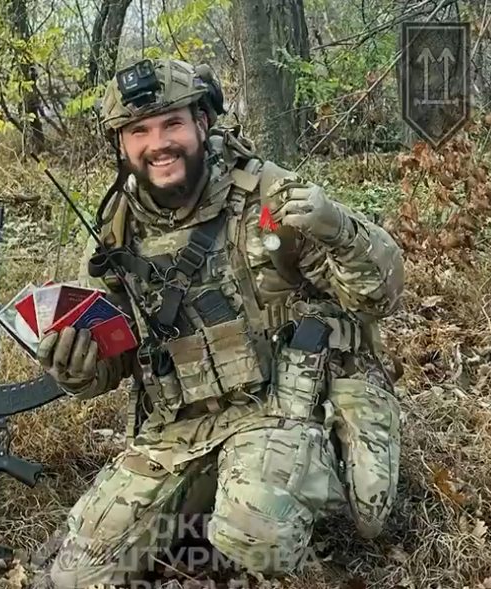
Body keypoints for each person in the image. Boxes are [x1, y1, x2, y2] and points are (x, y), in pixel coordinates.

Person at [36, 57, 405, 588]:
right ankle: (217, 493)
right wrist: (78, 369)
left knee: (259, 534)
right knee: (76, 576)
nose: (158, 144)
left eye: (172, 124)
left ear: (202, 123)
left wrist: (339, 228)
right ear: (121, 143)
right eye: (139, 131)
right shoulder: (115, 232)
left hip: (282, 403)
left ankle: (321, 464)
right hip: (182, 424)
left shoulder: (269, 197)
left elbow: (379, 297)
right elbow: (116, 359)